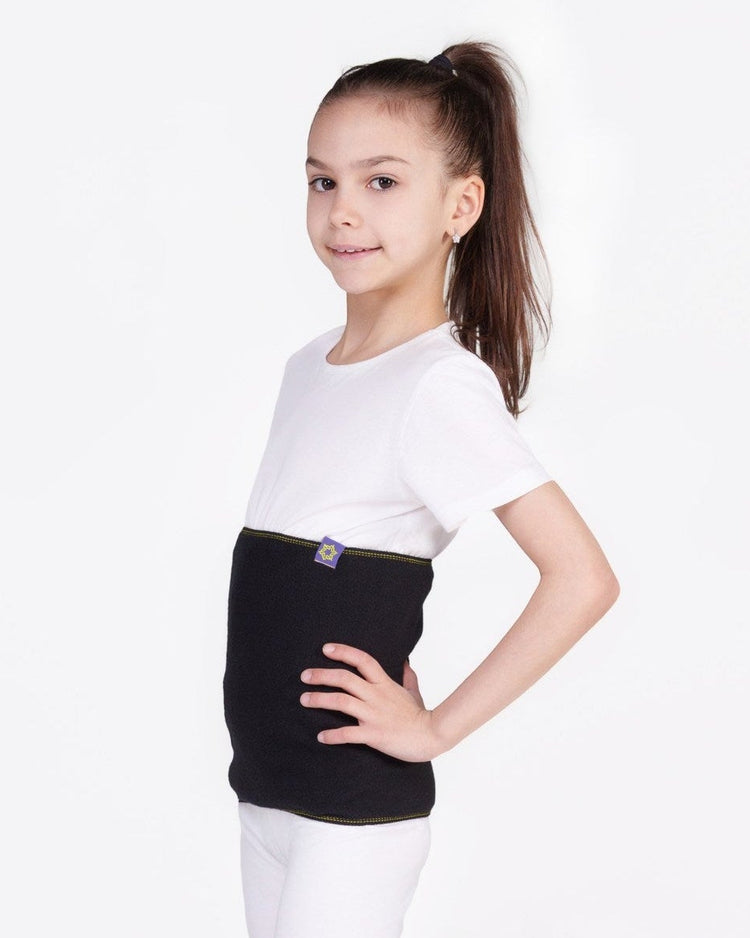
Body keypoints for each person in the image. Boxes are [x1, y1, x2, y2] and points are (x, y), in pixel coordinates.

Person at [223, 40, 620, 938]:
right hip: (268, 795)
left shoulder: (437, 386)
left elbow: (582, 578)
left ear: (460, 205)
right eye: (322, 181)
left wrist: (434, 729)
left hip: (351, 816)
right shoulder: (307, 368)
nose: (343, 210)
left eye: (382, 182)